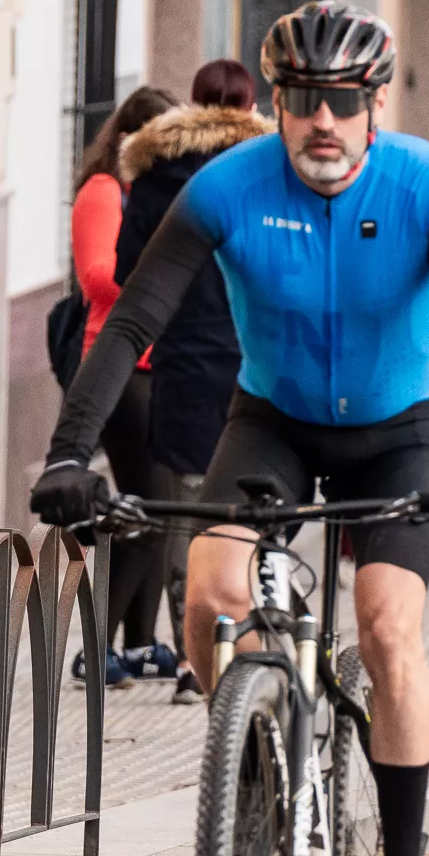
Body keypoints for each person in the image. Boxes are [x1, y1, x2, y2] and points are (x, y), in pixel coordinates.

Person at [33, 0, 429, 856]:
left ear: (375, 102)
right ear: (279, 104)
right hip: (275, 419)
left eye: (341, 100)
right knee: (209, 592)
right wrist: (71, 452)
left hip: (402, 429)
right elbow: (127, 326)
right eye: (300, 99)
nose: (320, 120)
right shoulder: (226, 186)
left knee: (386, 624)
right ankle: (254, 764)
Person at [113, 58, 270, 705]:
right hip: (252, 360)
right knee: (254, 505)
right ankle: (248, 634)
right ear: (253, 103)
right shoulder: (267, 175)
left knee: (184, 508)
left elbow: (128, 271)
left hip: (180, 361)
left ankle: (188, 656)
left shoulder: (155, 178)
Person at [69, 84, 180, 687]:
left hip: (159, 367)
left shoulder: (146, 195)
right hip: (120, 369)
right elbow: (96, 276)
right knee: (146, 508)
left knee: (161, 508)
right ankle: (95, 648)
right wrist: (165, 274)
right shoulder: (103, 191)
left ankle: (140, 641)